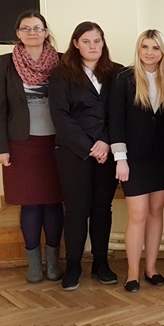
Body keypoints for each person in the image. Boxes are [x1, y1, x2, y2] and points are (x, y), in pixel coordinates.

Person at [0, 11, 64, 283]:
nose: (32, 32)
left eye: (37, 28)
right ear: (18, 33)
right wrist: (0, 147)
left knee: (54, 204)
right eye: (26, 28)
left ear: (46, 32)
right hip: (20, 144)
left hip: (57, 143)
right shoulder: (5, 63)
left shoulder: (62, 61)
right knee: (30, 205)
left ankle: (53, 262)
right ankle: (34, 264)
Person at [49, 22, 121, 290]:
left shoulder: (117, 73)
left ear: (103, 43)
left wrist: (106, 142)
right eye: (87, 41)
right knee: (76, 210)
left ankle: (101, 263)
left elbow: (120, 113)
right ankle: (74, 265)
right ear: (76, 44)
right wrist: (89, 147)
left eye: (97, 41)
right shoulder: (61, 74)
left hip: (107, 151)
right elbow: (60, 115)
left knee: (102, 208)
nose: (93, 46)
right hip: (73, 152)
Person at [110, 30, 164, 293]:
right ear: (138, 49)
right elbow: (115, 122)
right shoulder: (124, 79)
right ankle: (132, 272)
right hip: (134, 159)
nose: (150, 52)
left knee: (156, 212)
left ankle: (151, 268)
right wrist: (120, 159)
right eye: (145, 47)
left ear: (162, 52)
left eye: (155, 48)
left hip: (162, 157)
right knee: (137, 215)